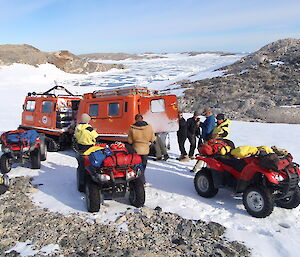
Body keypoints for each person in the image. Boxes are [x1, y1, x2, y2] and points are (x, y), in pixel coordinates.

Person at [128, 114, 156, 183]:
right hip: (145, 150)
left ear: (135, 119)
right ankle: (142, 181)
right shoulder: (149, 127)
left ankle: (138, 180)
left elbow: (130, 141)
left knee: (136, 166)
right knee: (143, 166)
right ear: (142, 119)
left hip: (136, 150)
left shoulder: (132, 128)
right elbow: (152, 139)